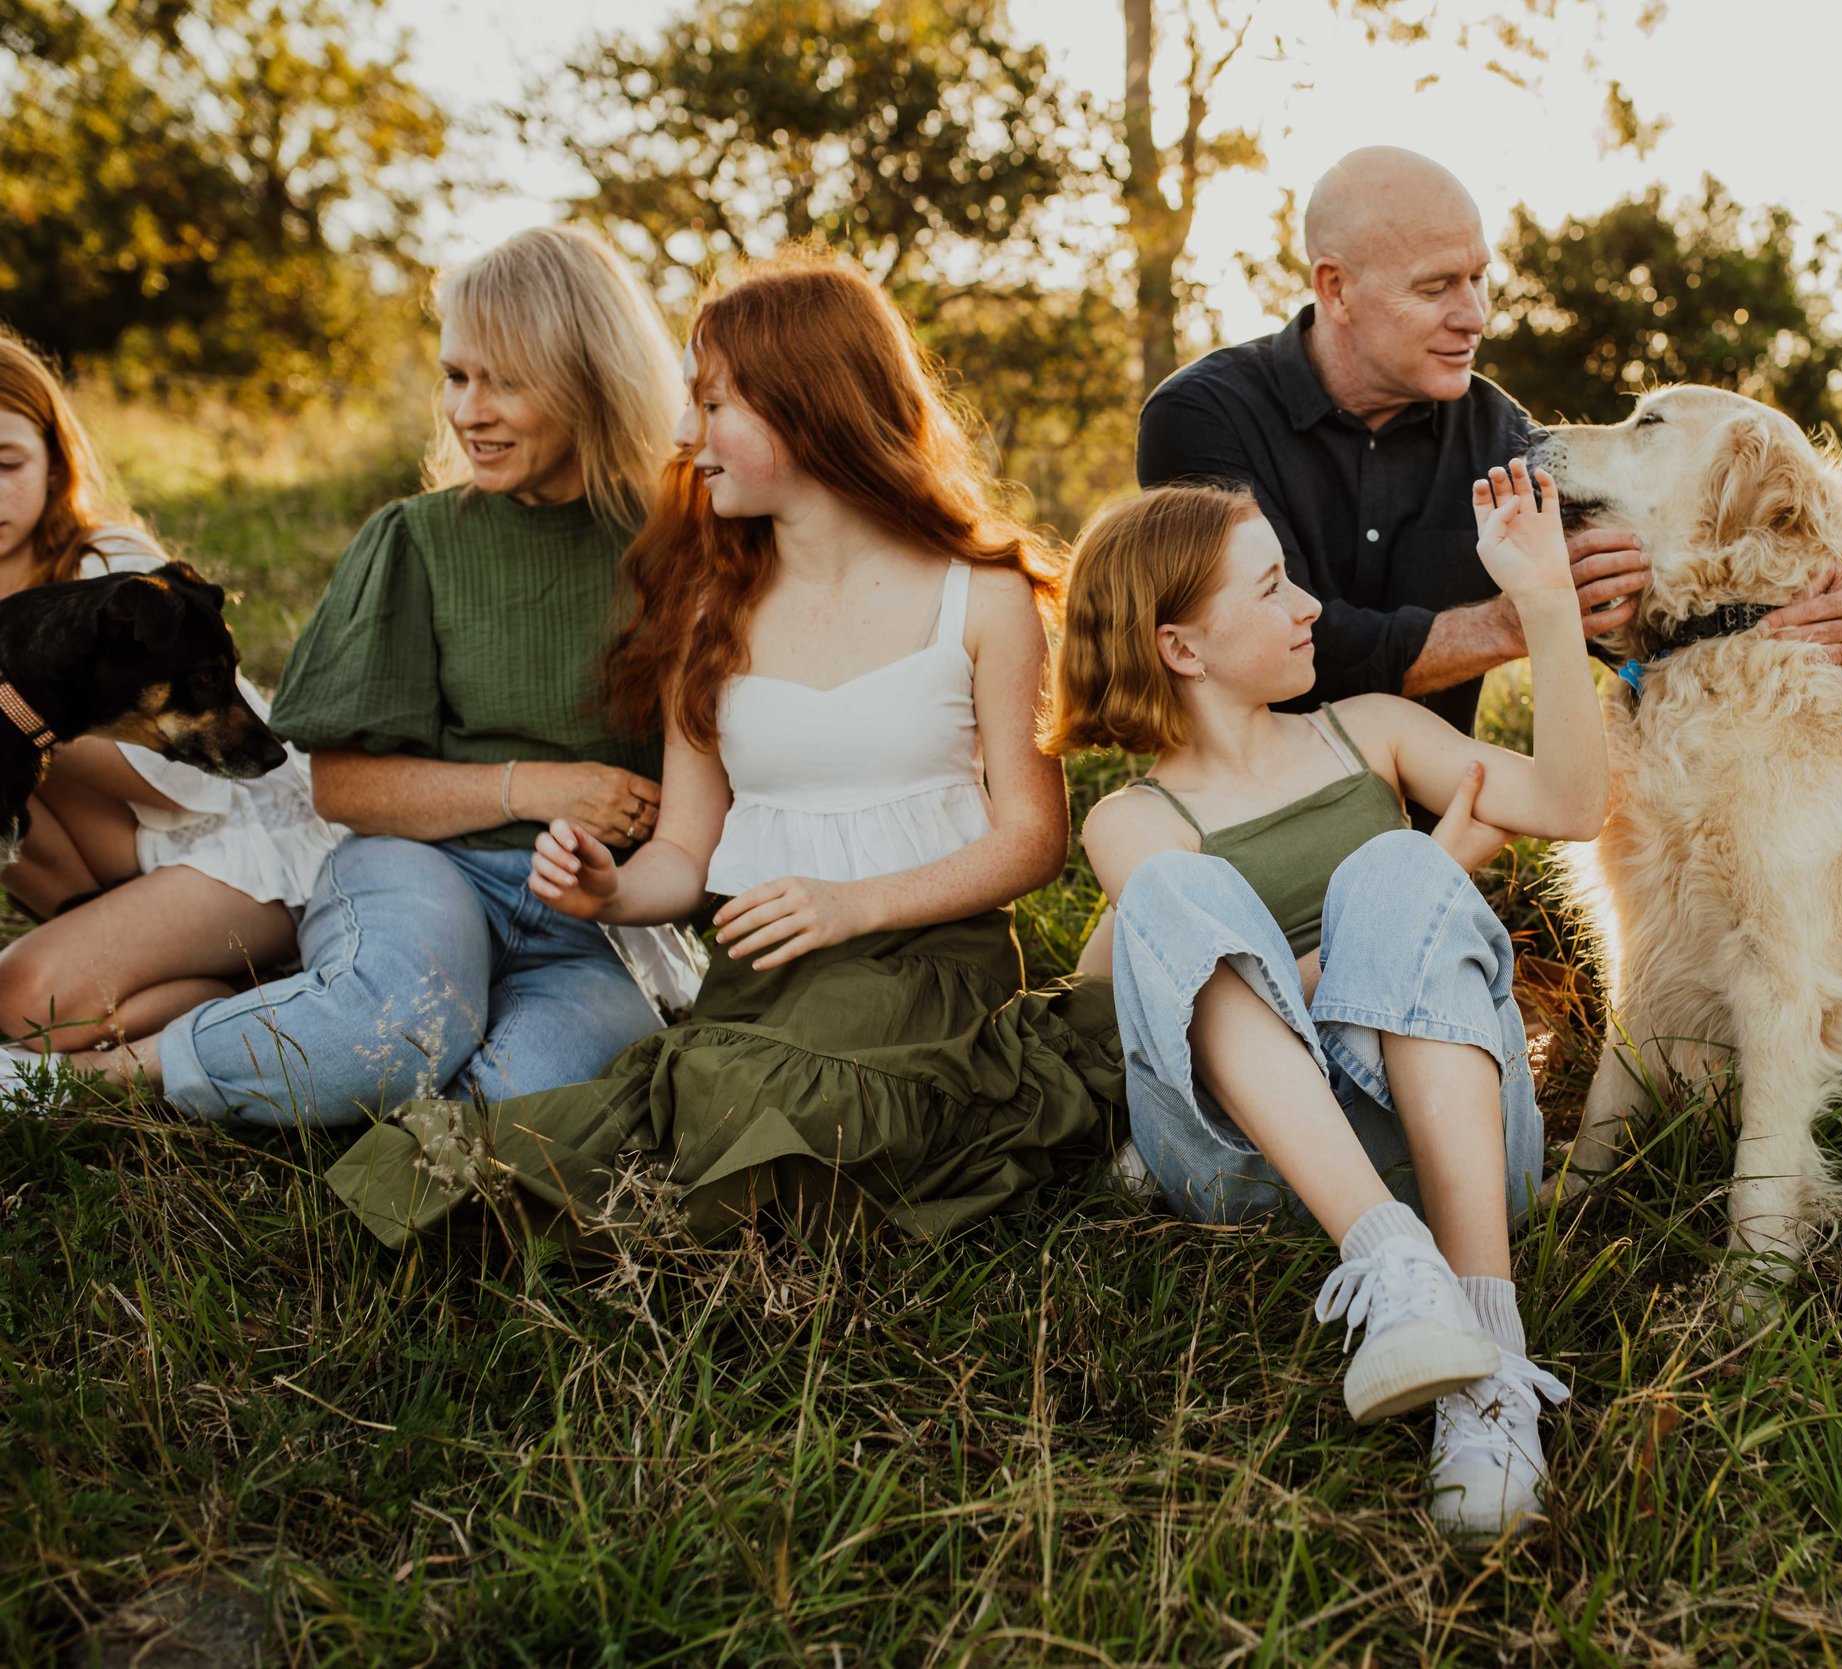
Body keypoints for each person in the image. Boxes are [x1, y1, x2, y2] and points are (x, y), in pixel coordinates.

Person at [326, 249, 1123, 1251]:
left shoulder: (983, 597)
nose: (682, 433)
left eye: (713, 404)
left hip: (925, 963)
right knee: (669, 1098)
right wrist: (606, 894)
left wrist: (853, 904)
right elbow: (685, 855)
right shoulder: (711, 607)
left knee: (749, 1101)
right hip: (761, 973)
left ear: (809, 407)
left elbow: (1031, 842)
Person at [1047, 462, 1604, 1535]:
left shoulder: (1373, 731)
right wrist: (1423, 886)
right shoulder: (1134, 821)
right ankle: (1391, 1264)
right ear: (1181, 646)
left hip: (1462, 1149)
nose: (1308, 605)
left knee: (1386, 874)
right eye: (1268, 589)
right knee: (1199, 889)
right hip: (1257, 1166)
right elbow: (1207, 1001)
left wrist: (1544, 599)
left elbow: (1572, 802)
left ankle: (1488, 1353)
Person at [81, 226, 690, 1123]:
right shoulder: (417, 540)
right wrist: (537, 785)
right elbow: (345, 785)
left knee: (524, 1112)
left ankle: (382, 1073)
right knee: (398, 1026)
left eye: (505, 381)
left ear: (591, 377)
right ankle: (85, 1076)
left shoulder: (682, 551)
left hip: (599, 926)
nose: (467, 411)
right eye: (455, 376)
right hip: (426, 869)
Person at [1135, 145, 1842, 738]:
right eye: (1437, 287)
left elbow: (1658, 610)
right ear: (1334, 288)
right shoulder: (1202, 419)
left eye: (1479, 278)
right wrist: (1514, 619)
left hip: (1436, 835)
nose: (1475, 316)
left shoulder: (1507, 438)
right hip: (1238, 822)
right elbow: (1277, 650)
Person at [0, 327, 343, 1086]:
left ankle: (127, 1051)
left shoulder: (110, 574)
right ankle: (221, 989)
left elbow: (200, 782)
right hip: (126, 865)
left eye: (6, 463)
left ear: (55, 459)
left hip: (245, 845)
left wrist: (22, 712)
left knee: (28, 1001)